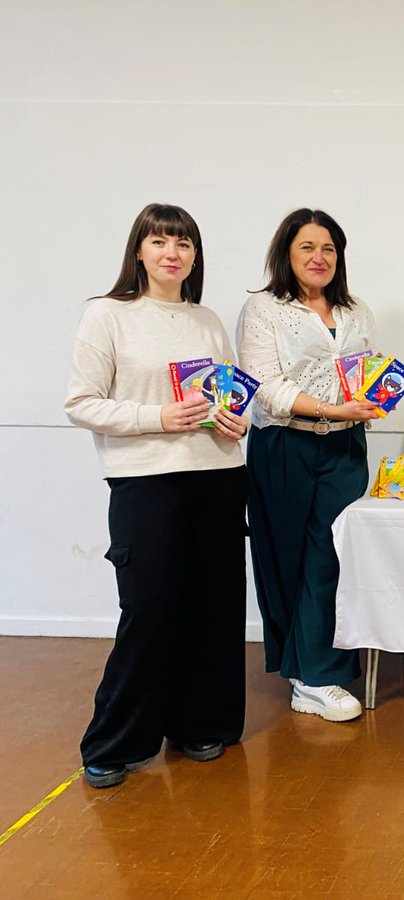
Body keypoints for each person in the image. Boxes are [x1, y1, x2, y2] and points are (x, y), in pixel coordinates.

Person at [64, 203, 250, 789]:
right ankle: (116, 741)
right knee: (147, 610)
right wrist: (159, 416)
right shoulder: (107, 315)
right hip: (146, 481)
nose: (173, 252)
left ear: (195, 255)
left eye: (185, 243)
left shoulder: (207, 319)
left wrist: (230, 420)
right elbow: (81, 403)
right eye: (160, 241)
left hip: (218, 474)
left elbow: (227, 393)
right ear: (139, 250)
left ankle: (201, 724)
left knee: (213, 606)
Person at [237, 209, 380, 722]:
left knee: (332, 555)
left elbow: (363, 370)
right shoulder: (264, 309)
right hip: (285, 446)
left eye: (328, 249)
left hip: (345, 447)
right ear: (286, 253)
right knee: (289, 555)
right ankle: (305, 672)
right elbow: (266, 386)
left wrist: (369, 398)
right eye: (307, 248)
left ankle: (320, 670)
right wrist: (331, 408)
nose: (319, 258)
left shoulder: (355, 309)